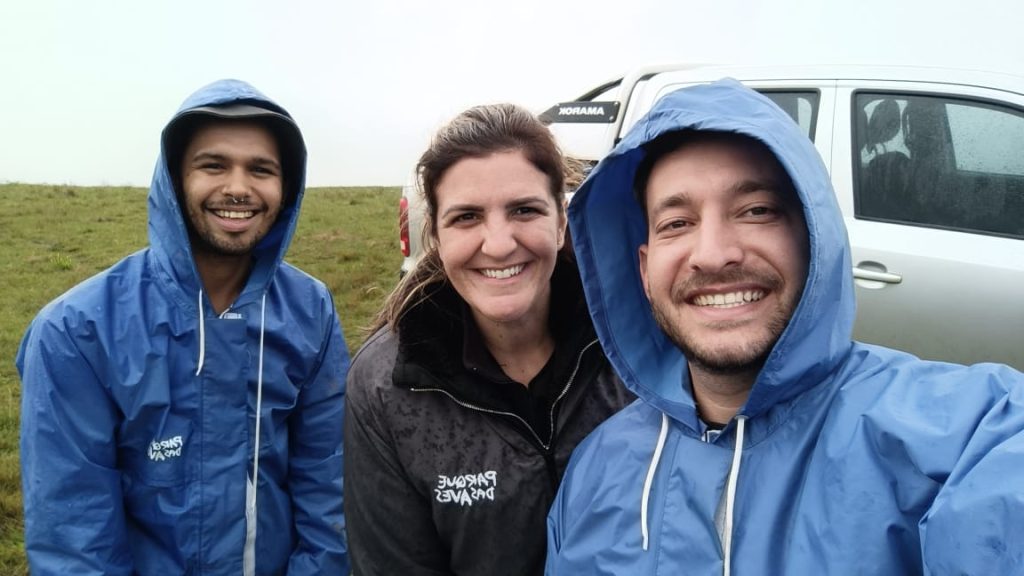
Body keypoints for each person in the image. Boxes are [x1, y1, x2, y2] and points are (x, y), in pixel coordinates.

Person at [545, 79, 1024, 574]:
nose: (712, 254)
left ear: (815, 239)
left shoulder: (959, 437)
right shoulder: (594, 473)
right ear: (644, 271)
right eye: (677, 223)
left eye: (756, 212)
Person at [17, 79, 350, 575]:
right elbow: (74, 539)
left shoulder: (310, 309)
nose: (238, 187)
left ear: (287, 189)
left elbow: (329, 491)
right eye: (213, 165)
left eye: (261, 169)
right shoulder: (75, 332)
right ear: (173, 179)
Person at [343, 103, 633, 576]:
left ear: (561, 221)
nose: (498, 244)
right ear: (434, 234)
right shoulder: (385, 388)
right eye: (466, 217)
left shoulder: (634, 351)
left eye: (524, 210)